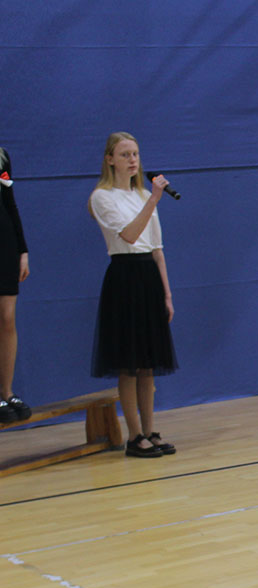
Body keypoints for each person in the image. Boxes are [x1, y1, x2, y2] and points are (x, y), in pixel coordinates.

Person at [88, 132, 178, 456]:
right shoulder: (102, 197)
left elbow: (156, 248)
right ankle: (134, 435)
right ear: (110, 159)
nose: (132, 160)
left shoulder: (142, 194)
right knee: (128, 363)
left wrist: (166, 293)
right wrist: (153, 200)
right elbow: (129, 235)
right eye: (125, 154)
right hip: (124, 277)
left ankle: (150, 430)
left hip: (148, 276)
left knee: (148, 363)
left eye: (136, 154)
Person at [0, 146, 32, 423]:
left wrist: (22, 250)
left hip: (5, 243)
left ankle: (6, 391)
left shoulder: (2, 156)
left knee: (7, 318)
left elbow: (9, 201)